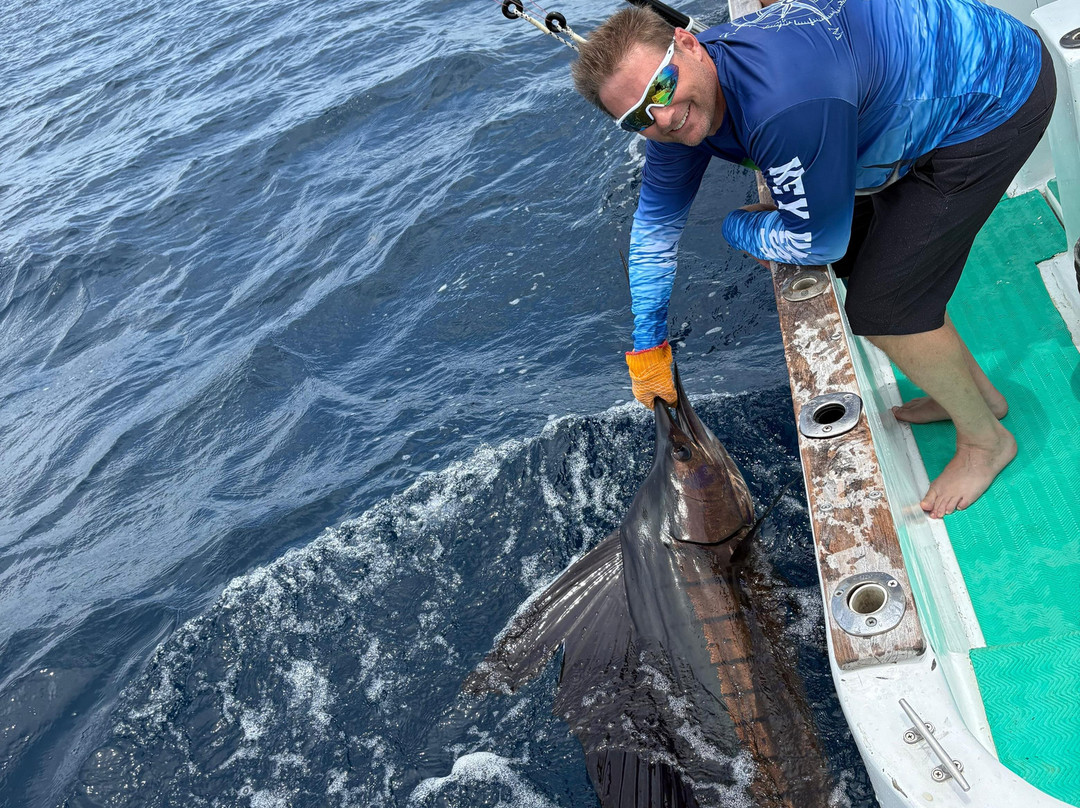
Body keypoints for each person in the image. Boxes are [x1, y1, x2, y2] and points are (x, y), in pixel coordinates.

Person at [571, 0, 1056, 518]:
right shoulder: (682, 110)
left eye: (662, 88)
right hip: (914, 85)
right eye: (638, 116)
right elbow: (654, 233)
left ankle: (986, 440)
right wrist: (649, 349)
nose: (663, 117)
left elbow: (819, 243)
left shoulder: (781, 103)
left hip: (996, 93)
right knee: (869, 261)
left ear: (689, 43)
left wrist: (740, 227)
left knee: (885, 305)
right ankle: (977, 394)